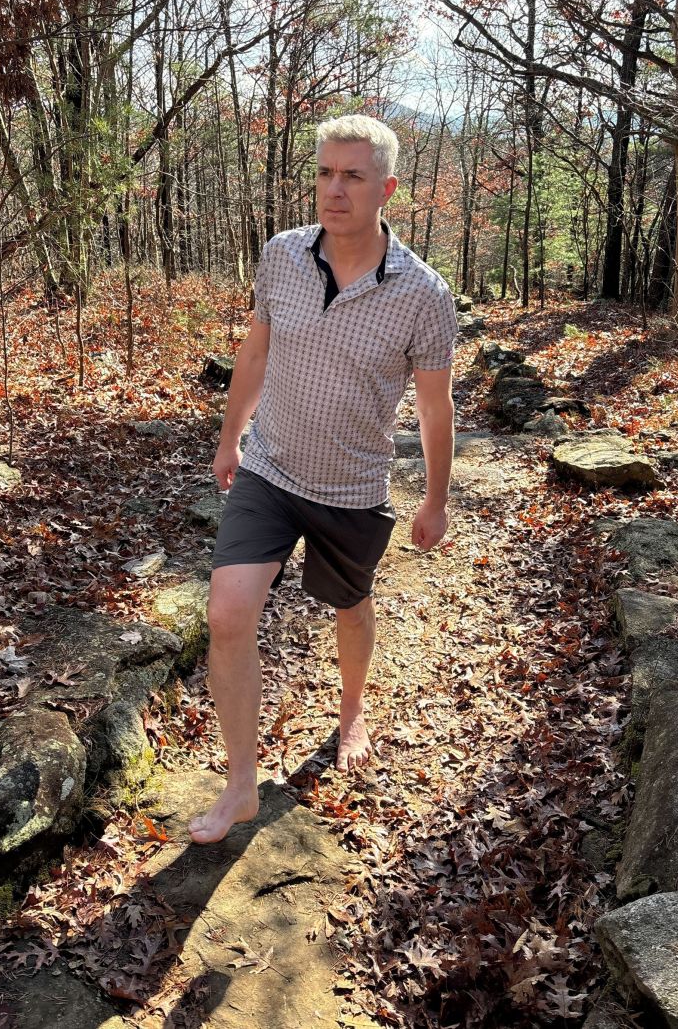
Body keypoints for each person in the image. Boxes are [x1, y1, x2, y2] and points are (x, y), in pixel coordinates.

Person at [189, 114, 458, 844]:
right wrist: (230, 435)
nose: (334, 190)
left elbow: (436, 405)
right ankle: (241, 784)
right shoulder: (281, 255)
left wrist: (435, 498)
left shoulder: (424, 294)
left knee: (350, 605)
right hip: (271, 468)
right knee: (228, 611)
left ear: (387, 189)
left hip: (354, 485)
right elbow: (255, 349)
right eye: (325, 173)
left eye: (353, 176)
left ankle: (351, 711)